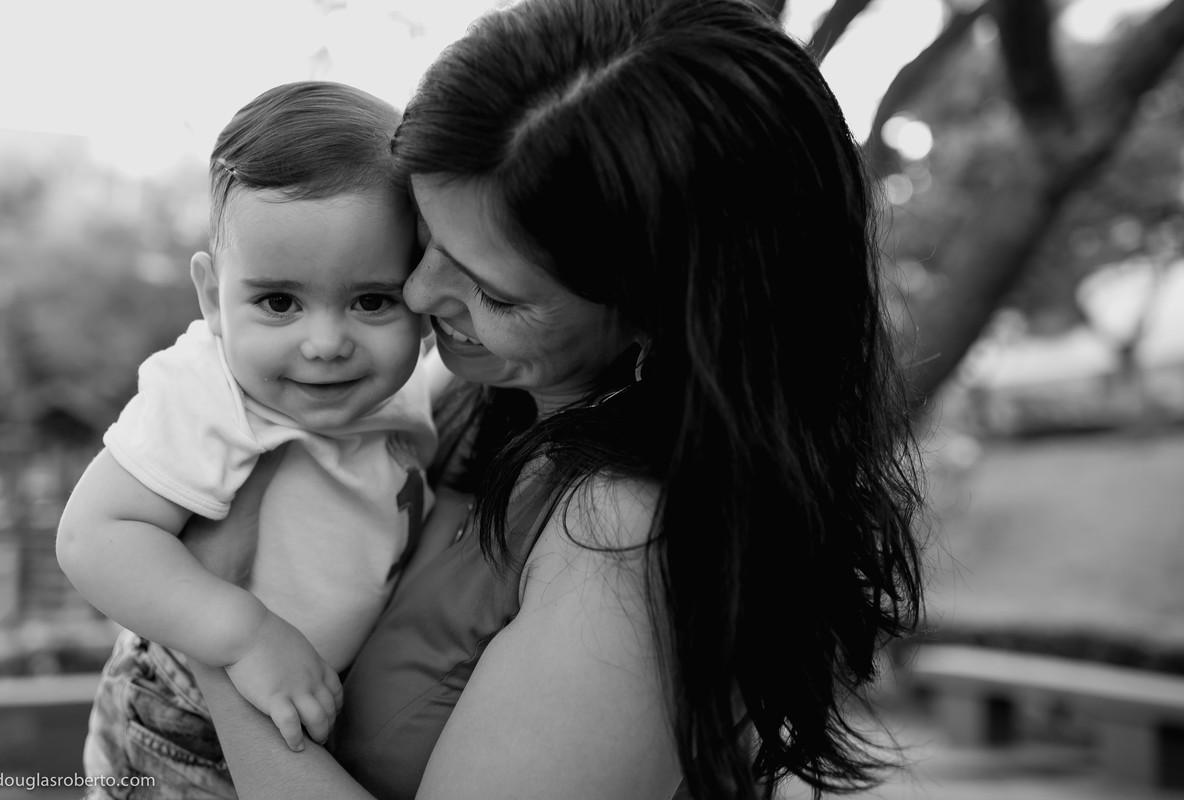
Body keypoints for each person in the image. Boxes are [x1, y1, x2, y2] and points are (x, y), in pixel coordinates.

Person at [193, 0, 928, 797]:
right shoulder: (471, 407)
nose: (416, 289)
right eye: (424, 236)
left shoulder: (620, 542)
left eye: (495, 295)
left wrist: (217, 642)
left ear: (664, 320)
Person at [56, 81, 437, 798]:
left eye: (372, 300)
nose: (325, 343)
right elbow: (93, 537)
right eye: (279, 302)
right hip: (184, 718)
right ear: (212, 297)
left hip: (299, 718)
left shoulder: (405, 389)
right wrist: (245, 634)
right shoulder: (209, 389)